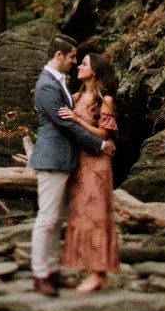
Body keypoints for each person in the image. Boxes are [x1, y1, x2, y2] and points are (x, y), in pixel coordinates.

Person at [29, 35, 108, 296]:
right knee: (47, 218)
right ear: (59, 56)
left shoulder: (59, 83)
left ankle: (51, 271)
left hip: (63, 160)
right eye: (72, 56)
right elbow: (65, 124)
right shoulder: (46, 86)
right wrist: (100, 146)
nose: (75, 61)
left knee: (55, 219)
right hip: (51, 159)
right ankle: (40, 274)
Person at [60, 51, 121, 292]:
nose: (79, 67)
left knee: (97, 213)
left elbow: (104, 134)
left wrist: (77, 120)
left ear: (94, 70)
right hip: (80, 161)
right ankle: (89, 267)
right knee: (81, 212)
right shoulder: (75, 96)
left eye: (83, 64)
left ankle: (98, 272)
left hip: (98, 162)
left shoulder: (105, 100)